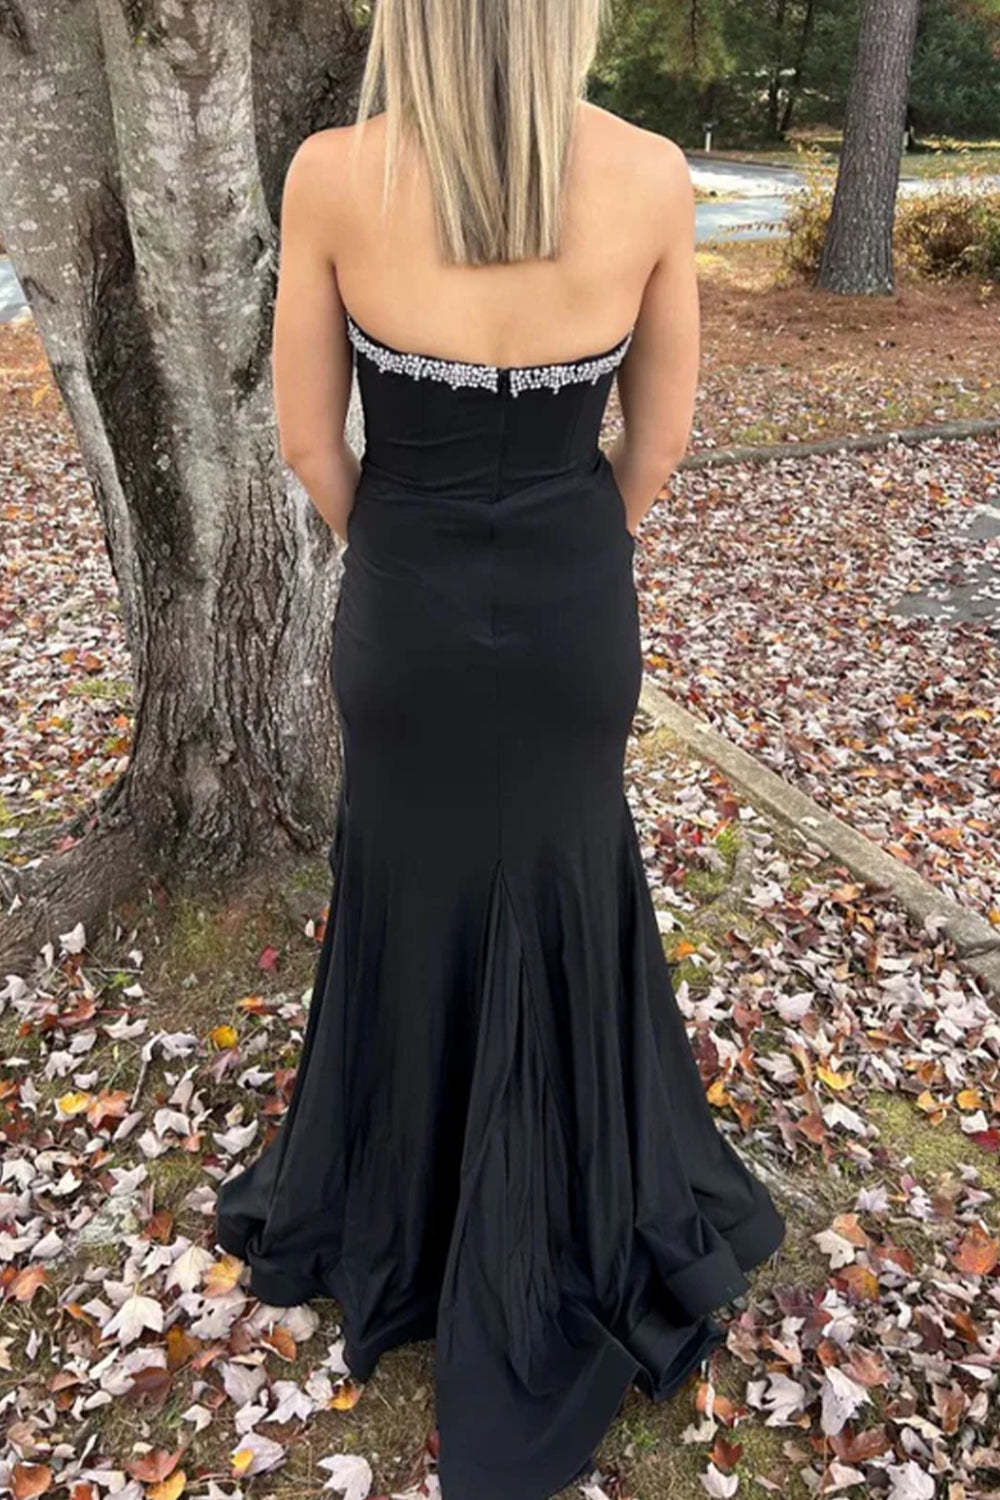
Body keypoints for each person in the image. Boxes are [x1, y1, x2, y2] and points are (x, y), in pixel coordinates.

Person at [214, 2, 786, 1496]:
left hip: (403, 601)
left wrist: (410, 555)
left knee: (408, 887)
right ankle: (571, 1193)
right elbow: (656, 444)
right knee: (563, 884)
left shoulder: (334, 175)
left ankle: (400, 1209)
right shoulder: (649, 174)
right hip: (572, 607)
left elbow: (308, 441)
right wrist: (562, 559)